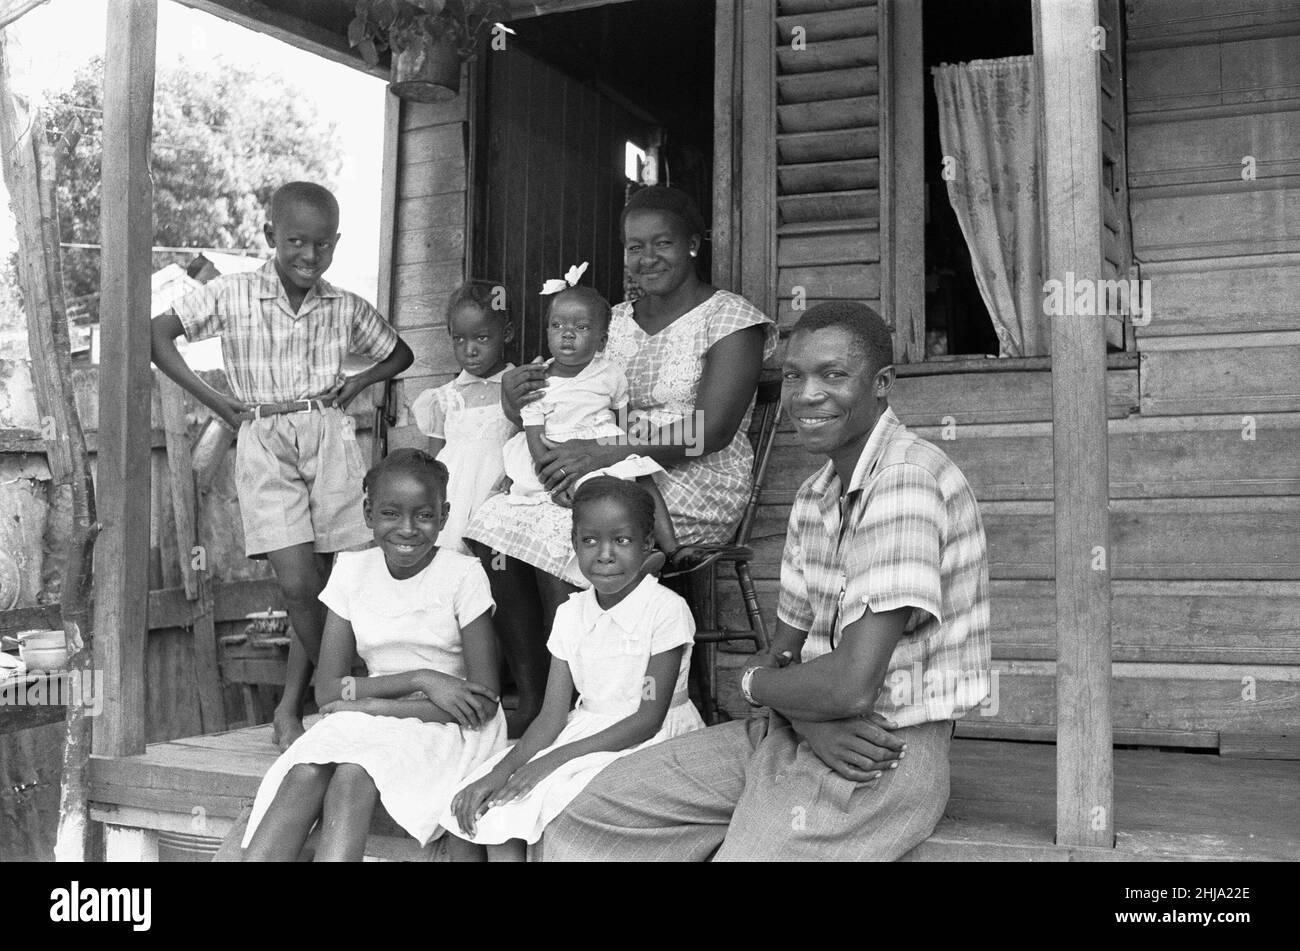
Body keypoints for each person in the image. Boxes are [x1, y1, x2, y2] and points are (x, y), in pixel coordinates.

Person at [543, 302, 992, 862]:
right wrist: (796, 708)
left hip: (881, 750)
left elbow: (849, 686)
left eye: (833, 375)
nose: (806, 394)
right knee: (591, 817)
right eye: (796, 375)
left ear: (881, 385)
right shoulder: (814, 495)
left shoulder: (905, 480)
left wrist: (759, 687)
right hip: (795, 726)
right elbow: (780, 652)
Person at [465, 186, 776, 735]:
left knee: (573, 520)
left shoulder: (731, 320)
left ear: (694, 245)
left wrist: (608, 453)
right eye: (635, 247)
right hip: (601, 456)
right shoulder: (607, 320)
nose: (647, 258)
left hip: (691, 475)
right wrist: (516, 400)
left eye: (663, 244)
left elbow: (713, 429)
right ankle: (540, 696)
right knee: (492, 519)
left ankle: (591, 701)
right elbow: (556, 393)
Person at [150, 181, 414, 750]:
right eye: (296, 241)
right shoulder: (232, 293)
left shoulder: (343, 306)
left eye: (322, 245)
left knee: (334, 585)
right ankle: (348, 695)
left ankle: (294, 709)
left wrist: (362, 380)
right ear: (271, 236)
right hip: (264, 439)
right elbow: (158, 333)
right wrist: (213, 401)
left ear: (335, 244)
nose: (309, 256)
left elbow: (400, 352)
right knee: (297, 584)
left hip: (330, 435)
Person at [240, 450, 507, 861]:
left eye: (423, 515)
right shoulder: (351, 571)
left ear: (445, 515)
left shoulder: (463, 576)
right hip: (368, 714)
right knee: (305, 770)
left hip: (443, 726)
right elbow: (329, 688)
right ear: (368, 514)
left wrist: (371, 703)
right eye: (390, 514)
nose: (406, 529)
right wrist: (422, 679)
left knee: (352, 774)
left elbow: (483, 703)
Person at [443, 477, 703, 861]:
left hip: (646, 738)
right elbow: (551, 716)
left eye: (623, 540)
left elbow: (647, 719)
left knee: (516, 807)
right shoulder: (570, 614)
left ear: (648, 544)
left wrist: (549, 763)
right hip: (584, 730)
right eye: (590, 541)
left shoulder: (664, 610)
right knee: (470, 801)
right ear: (574, 544)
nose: (605, 554)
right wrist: (504, 770)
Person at [500, 271, 676, 563]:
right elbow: (534, 438)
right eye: (557, 325)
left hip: (604, 444)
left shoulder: (610, 374)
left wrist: (626, 452)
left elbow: (623, 419)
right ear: (547, 332)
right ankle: (622, 558)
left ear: (602, 340)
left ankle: (671, 550)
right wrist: (557, 481)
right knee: (597, 499)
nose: (567, 334)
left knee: (642, 475)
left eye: (581, 327)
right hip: (555, 455)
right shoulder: (538, 381)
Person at [410, 281, 518, 553]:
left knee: (493, 566)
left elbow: (525, 444)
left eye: (481, 338)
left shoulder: (518, 387)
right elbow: (434, 464)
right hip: (453, 497)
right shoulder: (442, 398)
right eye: (459, 339)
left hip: (499, 494)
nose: (469, 349)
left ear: (506, 333)